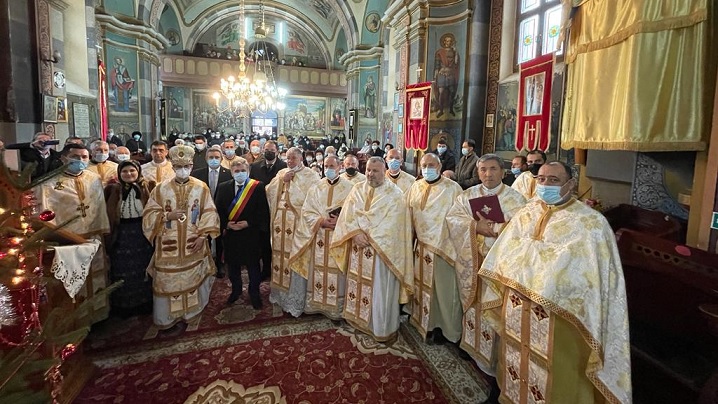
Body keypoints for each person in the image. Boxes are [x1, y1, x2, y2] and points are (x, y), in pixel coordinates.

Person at [478, 161, 631, 403]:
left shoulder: (591, 224)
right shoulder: (526, 213)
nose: (545, 184)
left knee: (558, 376)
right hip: (519, 307)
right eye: (541, 179)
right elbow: (505, 254)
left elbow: (592, 281)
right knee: (514, 360)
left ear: (571, 184)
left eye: (554, 180)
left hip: (562, 318)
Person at [445, 154, 526, 375]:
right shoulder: (467, 195)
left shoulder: (516, 200)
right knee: (472, 306)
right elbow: (453, 219)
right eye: (482, 169)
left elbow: (520, 230)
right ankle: (471, 346)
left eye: (492, 169)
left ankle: (493, 357)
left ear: (502, 172)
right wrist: (474, 226)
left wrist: (497, 229)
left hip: (497, 267)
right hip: (472, 261)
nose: (487, 174)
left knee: (493, 307)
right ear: (477, 172)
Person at [330, 157, 413, 341]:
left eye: (375, 171)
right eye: (368, 170)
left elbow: (394, 226)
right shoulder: (357, 189)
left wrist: (368, 237)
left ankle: (381, 328)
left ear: (384, 171)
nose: (370, 174)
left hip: (382, 254)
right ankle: (357, 320)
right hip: (358, 249)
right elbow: (347, 216)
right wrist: (355, 233)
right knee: (357, 286)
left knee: (379, 292)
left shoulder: (395, 194)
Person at [142, 145, 220, 335]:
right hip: (169, 245)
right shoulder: (161, 189)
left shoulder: (201, 187)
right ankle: (166, 318)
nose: (182, 169)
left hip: (193, 243)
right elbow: (149, 215)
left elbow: (209, 212)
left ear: (192, 166)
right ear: (173, 166)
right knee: (167, 279)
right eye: (178, 166)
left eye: (186, 166)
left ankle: (191, 312)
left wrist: (203, 237)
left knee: (193, 276)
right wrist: (167, 217)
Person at [33, 143, 111, 322]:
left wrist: (103, 229)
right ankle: (77, 321)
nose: (81, 161)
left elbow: (100, 207)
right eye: (76, 157)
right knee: (76, 279)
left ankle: (99, 317)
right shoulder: (49, 184)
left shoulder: (93, 178)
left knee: (97, 276)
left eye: (84, 157)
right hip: (68, 242)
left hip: (94, 235)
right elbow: (45, 215)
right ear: (63, 158)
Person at [406, 153, 463, 345]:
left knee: (442, 291)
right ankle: (421, 320)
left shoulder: (453, 188)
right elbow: (408, 213)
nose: (427, 168)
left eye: (431, 165)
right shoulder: (415, 186)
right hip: (420, 247)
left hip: (442, 248)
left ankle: (443, 328)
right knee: (420, 286)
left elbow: (460, 217)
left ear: (439, 167)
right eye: (424, 165)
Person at [287, 155, 353, 319]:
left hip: (339, 239)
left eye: (332, 166)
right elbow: (306, 212)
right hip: (319, 237)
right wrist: (321, 221)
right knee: (317, 270)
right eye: (326, 166)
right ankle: (315, 305)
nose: (328, 169)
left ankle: (336, 309)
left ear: (339, 167)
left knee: (337, 273)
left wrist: (340, 221)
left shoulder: (351, 188)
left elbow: (354, 213)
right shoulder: (316, 187)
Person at [265, 147, 320, 316]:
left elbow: (314, 199)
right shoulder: (282, 173)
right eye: (288, 158)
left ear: (301, 158)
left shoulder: (311, 175)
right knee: (279, 258)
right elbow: (269, 190)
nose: (290, 161)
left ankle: (295, 299)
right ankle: (279, 296)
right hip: (279, 225)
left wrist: (291, 185)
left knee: (294, 257)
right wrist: (282, 181)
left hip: (298, 226)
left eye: (293, 158)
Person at [214, 157, 269, 309]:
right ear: (231, 172)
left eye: (243, 171)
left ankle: (254, 293)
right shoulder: (223, 187)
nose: (240, 173)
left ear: (248, 172)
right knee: (233, 267)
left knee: (253, 267)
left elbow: (262, 211)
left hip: (250, 234)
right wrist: (227, 224)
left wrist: (249, 223)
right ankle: (236, 290)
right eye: (237, 171)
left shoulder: (257, 187)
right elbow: (218, 211)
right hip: (231, 235)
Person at [104, 160, 155, 317]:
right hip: (122, 233)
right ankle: (124, 306)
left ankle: (145, 302)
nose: (129, 174)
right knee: (122, 268)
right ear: (119, 174)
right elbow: (108, 211)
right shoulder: (113, 189)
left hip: (142, 231)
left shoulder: (148, 186)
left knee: (143, 266)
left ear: (138, 172)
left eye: (132, 171)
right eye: (124, 172)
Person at [191, 146, 232, 277]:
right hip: (203, 212)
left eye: (216, 157)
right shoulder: (197, 174)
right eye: (211, 157)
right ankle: (205, 262)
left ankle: (219, 263)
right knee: (204, 237)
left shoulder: (229, 173)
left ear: (221, 158)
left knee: (220, 239)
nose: (214, 160)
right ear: (206, 158)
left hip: (221, 211)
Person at [249, 140, 287, 280]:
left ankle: (277, 269)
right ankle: (265, 269)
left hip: (278, 210)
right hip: (260, 209)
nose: (268, 152)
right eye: (266, 150)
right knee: (263, 242)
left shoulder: (284, 167)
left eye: (271, 150)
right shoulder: (255, 167)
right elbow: (250, 188)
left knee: (277, 241)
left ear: (277, 151)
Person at [433, 33, 460, 118]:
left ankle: (451, 109)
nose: (448, 42)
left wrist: (455, 53)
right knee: (441, 92)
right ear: (444, 42)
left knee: (452, 92)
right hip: (441, 74)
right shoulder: (439, 52)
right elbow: (437, 65)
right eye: (447, 41)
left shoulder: (454, 51)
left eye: (450, 41)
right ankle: (441, 110)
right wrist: (435, 77)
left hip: (450, 73)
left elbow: (456, 63)